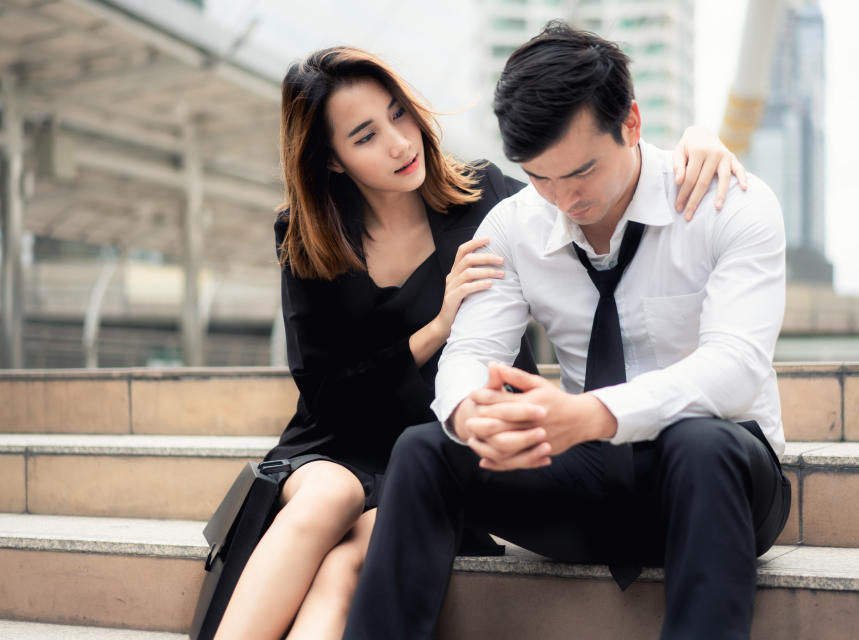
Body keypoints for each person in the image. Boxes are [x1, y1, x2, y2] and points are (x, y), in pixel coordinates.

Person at [212, 44, 748, 640]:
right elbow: (325, 393)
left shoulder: (482, 196)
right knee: (328, 497)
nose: (398, 142)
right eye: (364, 136)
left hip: (438, 446)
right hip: (341, 438)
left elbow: (584, 173)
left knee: (346, 562)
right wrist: (437, 329)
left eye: (399, 113)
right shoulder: (308, 233)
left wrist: (695, 144)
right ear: (331, 161)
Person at [342, 22, 791, 640]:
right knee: (425, 447)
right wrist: (471, 414)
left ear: (631, 123)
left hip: (723, 487)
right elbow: (470, 352)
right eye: (539, 176)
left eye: (581, 171)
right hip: (591, 482)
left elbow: (737, 370)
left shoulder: (727, 203)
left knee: (700, 443)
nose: (564, 199)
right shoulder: (513, 226)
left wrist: (594, 415)